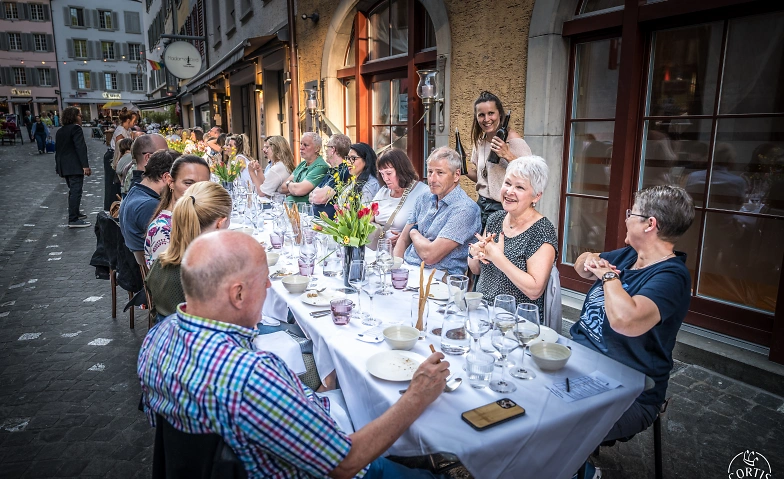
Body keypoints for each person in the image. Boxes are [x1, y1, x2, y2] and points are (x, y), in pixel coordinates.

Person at [138, 229, 450, 478]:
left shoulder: (156, 339)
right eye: (264, 280)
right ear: (238, 294)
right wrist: (416, 396)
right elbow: (346, 463)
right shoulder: (250, 376)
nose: (269, 285)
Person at [571, 185, 694, 453]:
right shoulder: (629, 255)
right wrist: (589, 260)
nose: (626, 219)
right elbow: (581, 265)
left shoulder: (672, 277)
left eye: (631, 213)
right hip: (580, 363)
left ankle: (580, 469)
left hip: (629, 389)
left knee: (553, 422)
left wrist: (608, 277)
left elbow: (625, 321)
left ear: (650, 224)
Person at [468, 156, 557, 323]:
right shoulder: (495, 219)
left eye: (520, 187)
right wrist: (475, 252)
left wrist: (498, 258)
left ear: (536, 196)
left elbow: (535, 290)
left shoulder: (542, 230)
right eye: (507, 183)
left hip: (517, 321)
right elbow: (476, 269)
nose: (509, 191)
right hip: (482, 312)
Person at [144, 181, 231, 321]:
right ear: (220, 224)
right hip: (202, 332)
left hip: (168, 330)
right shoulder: (211, 271)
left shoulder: (160, 262)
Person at [395, 147, 482, 276]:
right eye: (430, 172)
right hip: (408, 269)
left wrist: (413, 232)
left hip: (440, 277)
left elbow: (430, 256)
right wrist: (396, 270)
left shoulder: (465, 209)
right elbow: (402, 239)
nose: (432, 179)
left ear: (456, 175)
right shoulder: (423, 198)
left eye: (440, 173)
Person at [465, 91, 533, 229]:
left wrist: (507, 155)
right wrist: (461, 168)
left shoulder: (514, 141)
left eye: (491, 113)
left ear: (500, 114)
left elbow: (530, 175)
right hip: (482, 206)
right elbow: (482, 178)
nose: (486, 119)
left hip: (504, 208)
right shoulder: (480, 142)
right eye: (481, 115)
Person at [144, 155, 211, 267]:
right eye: (188, 183)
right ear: (170, 182)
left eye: (203, 185)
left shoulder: (193, 218)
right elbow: (166, 277)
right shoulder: (163, 231)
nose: (196, 190)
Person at [119, 150, 179, 264]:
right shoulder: (149, 206)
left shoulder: (136, 191)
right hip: (155, 268)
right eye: (185, 182)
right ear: (167, 178)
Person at [369, 149, 430, 248]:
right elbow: (367, 217)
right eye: (382, 174)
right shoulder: (383, 191)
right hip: (380, 250)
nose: (385, 178)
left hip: (405, 251)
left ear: (402, 170)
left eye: (389, 173)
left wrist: (405, 237)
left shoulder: (423, 192)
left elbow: (427, 228)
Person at [54, 107, 91, 228]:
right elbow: (80, 147)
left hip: (64, 165)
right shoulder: (76, 128)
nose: (81, 117)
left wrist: (58, 167)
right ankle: (73, 219)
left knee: (73, 190)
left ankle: (75, 212)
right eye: (79, 115)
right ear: (74, 117)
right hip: (74, 165)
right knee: (76, 191)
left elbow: (58, 150)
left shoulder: (60, 131)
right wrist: (85, 165)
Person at [308, 134, 352, 219]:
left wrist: (317, 194)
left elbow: (319, 198)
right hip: (317, 219)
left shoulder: (343, 170)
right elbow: (311, 195)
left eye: (326, 147)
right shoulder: (331, 171)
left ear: (333, 149)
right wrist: (317, 194)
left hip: (328, 222)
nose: (325, 151)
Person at [281, 131, 329, 203]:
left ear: (317, 148)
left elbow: (299, 190)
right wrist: (293, 188)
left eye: (306, 145)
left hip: (303, 208)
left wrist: (289, 185)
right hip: (289, 207)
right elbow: (282, 188)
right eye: (301, 144)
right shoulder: (302, 164)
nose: (301, 147)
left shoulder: (321, 167)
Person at [105, 108, 137, 210]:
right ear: (128, 120)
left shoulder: (127, 130)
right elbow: (120, 148)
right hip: (115, 156)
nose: (135, 123)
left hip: (120, 157)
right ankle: (112, 208)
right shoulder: (120, 131)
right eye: (134, 121)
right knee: (113, 185)